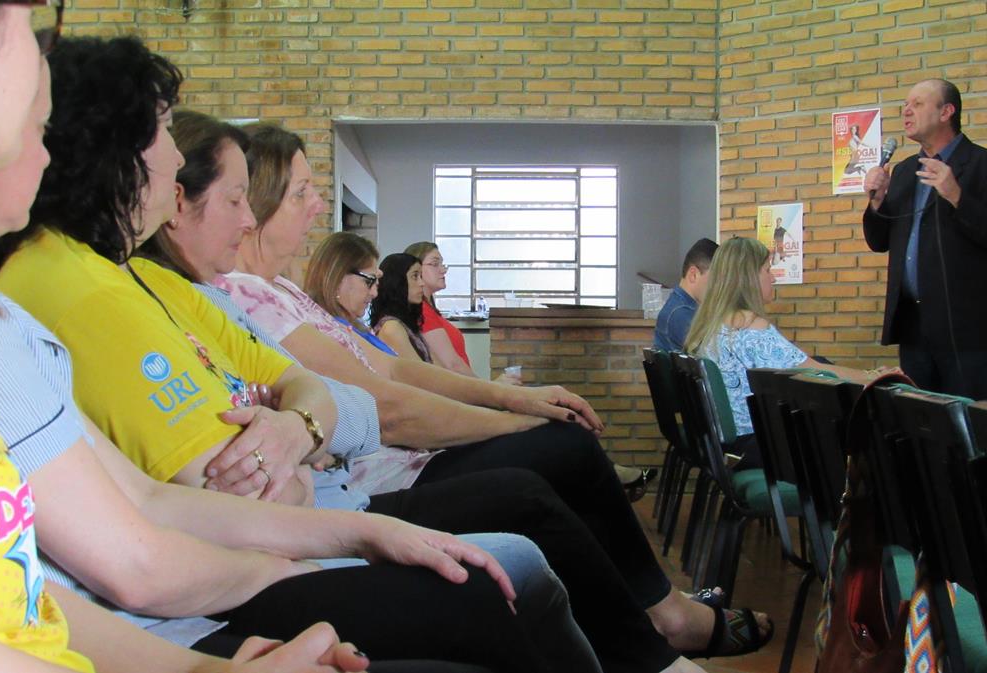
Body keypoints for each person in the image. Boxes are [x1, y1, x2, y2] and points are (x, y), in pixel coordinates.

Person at [0, 35, 589, 673]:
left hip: (260, 549)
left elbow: (317, 405)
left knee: (511, 547)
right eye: (257, 197)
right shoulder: (70, 288)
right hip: (213, 587)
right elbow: (202, 514)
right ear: (118, 150)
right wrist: (309, 481)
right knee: (502, 572)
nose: (292, 214)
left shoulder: (95, 296)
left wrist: (305, 435)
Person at [155, 115, 777, 671]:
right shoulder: (235, 295)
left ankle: (649, 620)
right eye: (301, 193)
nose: (318, 206)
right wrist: (515, 416)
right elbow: (376, 405)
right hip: (374, 479)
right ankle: (658, 627)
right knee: (545, 473)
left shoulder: (272, 296)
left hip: (345, 483)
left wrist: (514, 400)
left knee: (551, 467)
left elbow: (368, 386)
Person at [685, 238, 871, 469]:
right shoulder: (750, 326)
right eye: (767, 269)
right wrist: (872, 376)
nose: (773, 277)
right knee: (856, 431)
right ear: (748, 277)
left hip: (729, 446)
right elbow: (813, 370)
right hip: (759, 446)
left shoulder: (712, 324)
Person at [863, 78, 987, 399]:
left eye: (918, 104)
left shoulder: (980, 165)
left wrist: (957, 195)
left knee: (968, 429)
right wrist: (876, 202)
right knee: (922, 425)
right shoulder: (905, 171)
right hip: (914, 326)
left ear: (947, 111)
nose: (907, 111)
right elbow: (879, 242)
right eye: (905, 105)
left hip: (968, 329)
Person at [403, 241, 478, 376]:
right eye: (435, 264)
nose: (443, 270)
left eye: (442, 264)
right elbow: (452, 365)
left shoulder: (429, 309)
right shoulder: (421, 310)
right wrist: (490, 390)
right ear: (416, 270)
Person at [654, 238, 718, 352]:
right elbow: (713, 356)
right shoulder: (681, 313)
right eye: (715, 280)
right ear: (693, 275)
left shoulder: (681, 306)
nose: (719, 287)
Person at [370, 252, 434, 362]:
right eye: (415, 276)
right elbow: (421, 372)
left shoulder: (406, 324)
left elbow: (435, 365)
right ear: (397, 281)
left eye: (421, 276)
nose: (422, 283)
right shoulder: (391, 327)